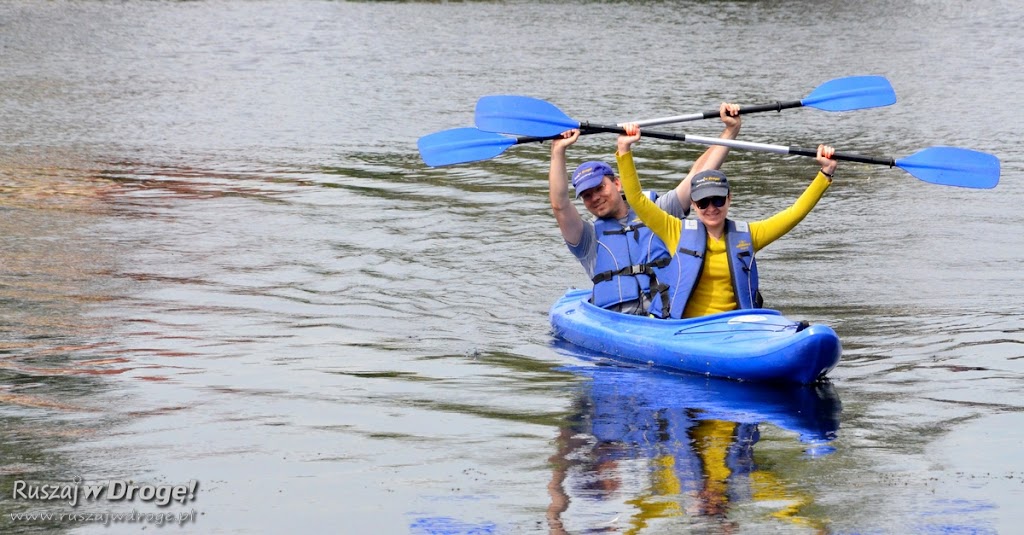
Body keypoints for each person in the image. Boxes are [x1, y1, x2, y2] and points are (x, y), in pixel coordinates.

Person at [614, 123, 837, 319]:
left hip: (732, 329)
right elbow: (637, 200)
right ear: (693, 204)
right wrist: (624, 149)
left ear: (729, 198)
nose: (711, 208)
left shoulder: (750, 235)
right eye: (703, 202)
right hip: (685, 329)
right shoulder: (674, 230)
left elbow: (794, 213)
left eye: (718, 200)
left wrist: (824, 174)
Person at [549, 103, 741, 315]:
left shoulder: (657, 212)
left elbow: (697, 175)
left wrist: (730, 130)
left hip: (665, 317)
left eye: (600, 188)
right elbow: (560, 205)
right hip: (619, 323)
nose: (595, 197)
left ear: (618, 183)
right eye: (587, 195)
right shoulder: (587, 239)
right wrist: (558, 151)